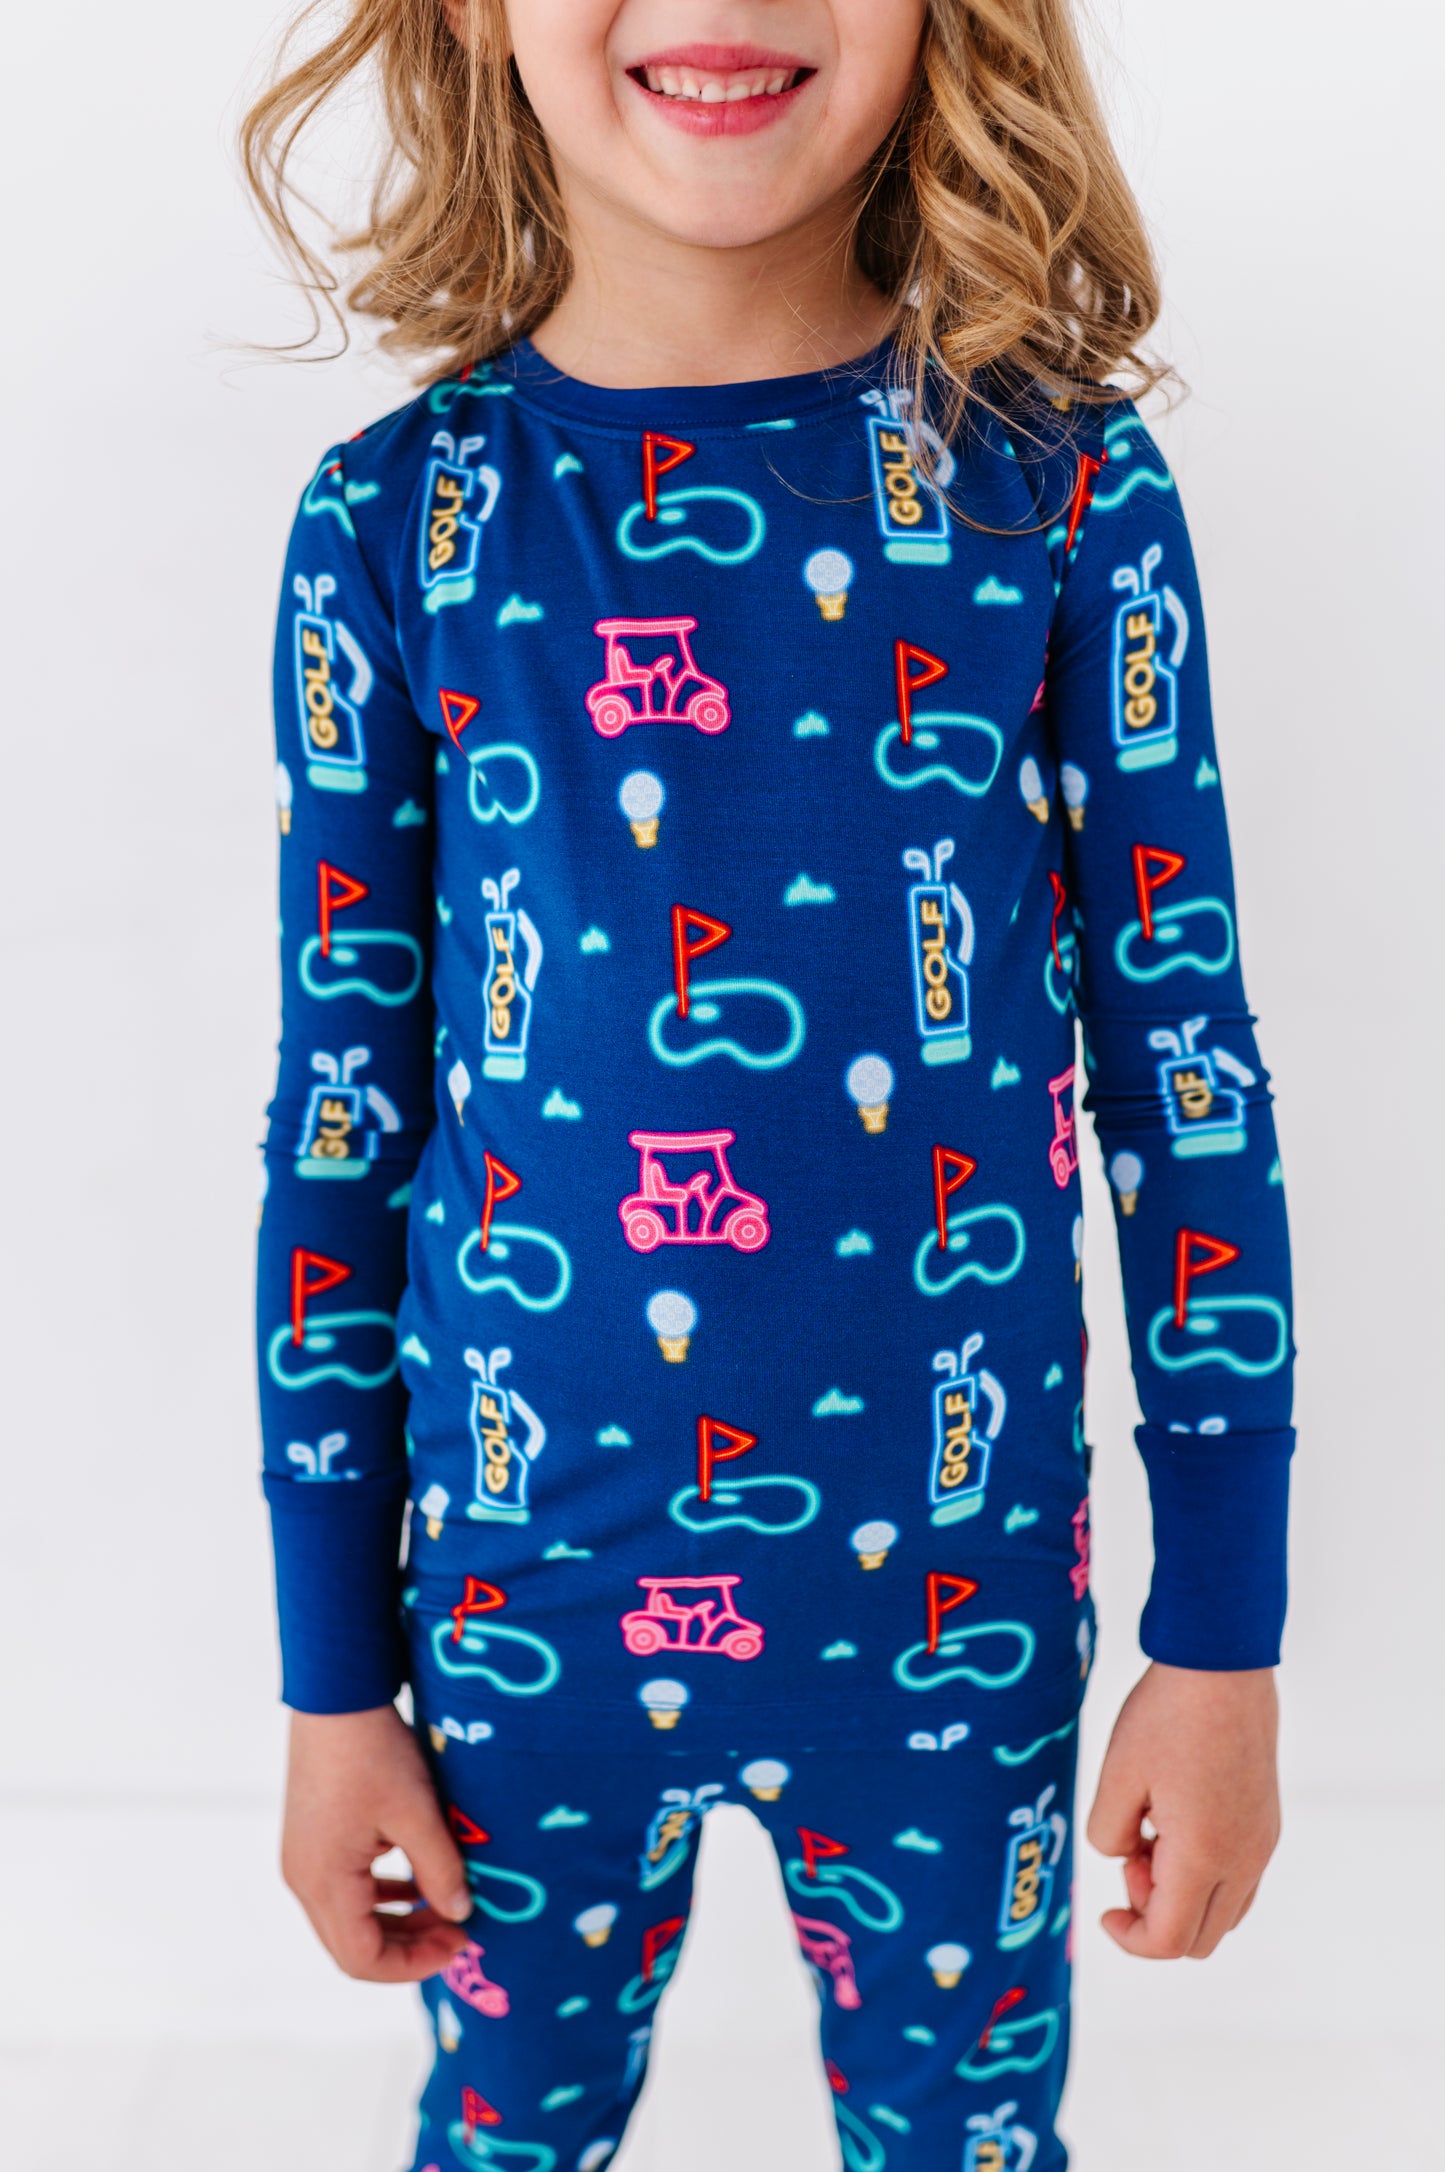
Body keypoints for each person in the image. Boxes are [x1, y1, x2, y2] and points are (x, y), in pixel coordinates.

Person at [245, 5, 1295, 2166]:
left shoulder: (1065, 492)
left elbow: (1179, 1077)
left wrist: (1221, 1635)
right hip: (520, 1623)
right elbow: (346, 1129)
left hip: (956, 1623)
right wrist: (330, 1679)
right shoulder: (393, 527)